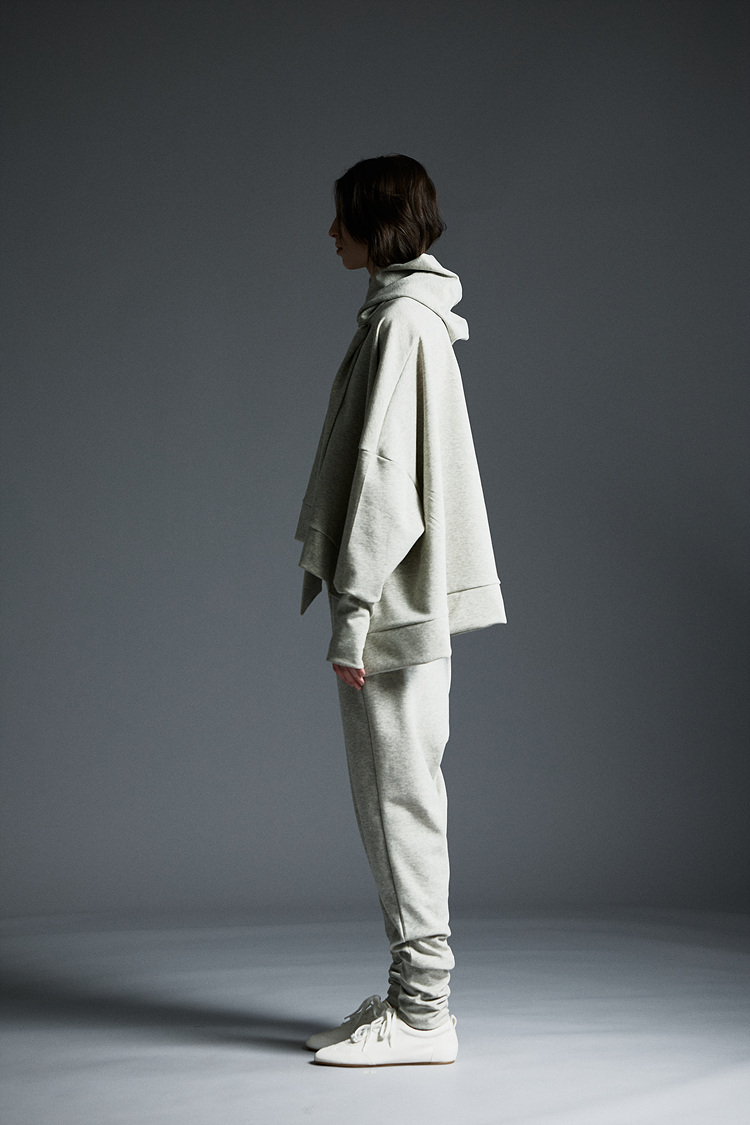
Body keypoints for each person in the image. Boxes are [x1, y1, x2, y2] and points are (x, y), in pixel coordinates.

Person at [295, 154, 506, 1067]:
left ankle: (423, 1014)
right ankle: (412, 996)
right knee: (404, 798)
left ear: (375, 224)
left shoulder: (398, 325)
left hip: (390, 609)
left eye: (340, 217)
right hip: (407, 604)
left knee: (399, 804)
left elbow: (384, 482)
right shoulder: (413, 316)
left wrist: (352, 617)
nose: (328, 233)